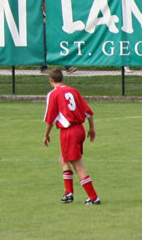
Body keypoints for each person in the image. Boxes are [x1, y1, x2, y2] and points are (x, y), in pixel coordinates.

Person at [43, 69, 100, 205]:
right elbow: (88, 112)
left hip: (69, 131)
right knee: (63, 158)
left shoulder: (53, 94)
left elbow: (50, 118)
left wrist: (46, 134)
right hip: (79, 129)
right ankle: (69, 194)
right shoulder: (73, 91)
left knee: (78, 165)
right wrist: (91, 128)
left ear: (50, 80)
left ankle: (94, 198)